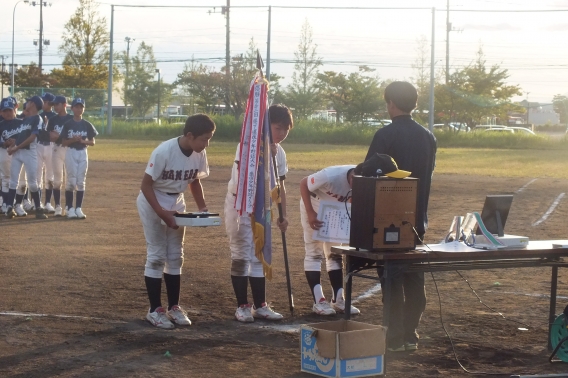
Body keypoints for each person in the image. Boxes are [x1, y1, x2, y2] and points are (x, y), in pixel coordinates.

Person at [365, 81, 437, 352]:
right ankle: (410, 335)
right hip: (418, 219)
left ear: (391, 104)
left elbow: (369, 175)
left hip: (388, 221)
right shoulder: (429, 137)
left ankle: (394, 338)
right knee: (414, 278)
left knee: (392, 280)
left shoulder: (385, 135)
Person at [137, 114, 215, 329]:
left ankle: (173, 307)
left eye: (209, 139)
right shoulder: (164, 151)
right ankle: (155, 310)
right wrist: (162, 213)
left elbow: (195, 181)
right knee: (156, 255)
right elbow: (145, 185)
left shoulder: (199, 152)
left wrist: (202, 209)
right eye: (204, 139)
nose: (206, 143)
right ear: (189, 135)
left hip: (176, 201)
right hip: (154, 199)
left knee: (175, 255)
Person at [224, 104, 293, 323]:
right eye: (278, 127)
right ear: (265, 125)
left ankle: (260, 304)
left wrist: (283, 214)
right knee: (241, 254)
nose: (281, 134)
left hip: (262, 208)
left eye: (286, 129)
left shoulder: (279, 152)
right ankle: (242, 305)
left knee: (258, 254)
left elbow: (280, 185)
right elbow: (246, 175)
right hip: (241, 204)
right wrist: (264, 152)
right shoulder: (248, 145)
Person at [299, 164, 361, 316]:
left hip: (335, 210)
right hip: (314, 204)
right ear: (352, 177)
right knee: (314, 252)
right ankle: (318, 301)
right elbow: (304, 183)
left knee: (335, 253)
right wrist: (310, 212)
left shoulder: (364, 179)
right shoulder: (330, 176)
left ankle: (338, 300)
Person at [3, 96, 49, 219]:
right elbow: (21, 136)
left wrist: (16, 147)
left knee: (32, 183)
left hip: (29, 153)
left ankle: (38, 208)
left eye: (28, 102)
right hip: (18, 153)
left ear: (33, 104)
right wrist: (13, 145)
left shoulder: (37, 119)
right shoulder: (25, 119)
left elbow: (32, 138)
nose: (26, 103)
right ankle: (9, 207)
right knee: (13, 181)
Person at [57, 98, 98, 219]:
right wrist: (73, 140)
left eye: (81, 107)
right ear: (72, 108)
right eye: (76, 107)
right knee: (71, 181)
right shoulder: (68, 124)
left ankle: (78, 208)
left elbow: (92, 142)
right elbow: (63, 142)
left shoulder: (87, 124)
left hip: (83, 152)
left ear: (83, 109)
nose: (79, 109)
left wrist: (82, 141)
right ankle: (70, 208)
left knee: (81, 181)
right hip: (71, 152)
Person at [47, 95, 73, 217]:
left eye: (57, 104)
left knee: (70, 180)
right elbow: (50, 136)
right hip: (57, 149)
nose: (55, 107)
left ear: (64, 105)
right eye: (54, 105)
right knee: (57, 180)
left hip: (69, 150)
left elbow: (74, 137)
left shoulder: (72, 119)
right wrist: (63, 138)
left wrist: (60, 137)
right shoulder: (52, 120)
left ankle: (68, 207)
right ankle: (58, 206)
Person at [36, 92, 57, 213]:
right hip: (38, 145)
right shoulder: (38, 116)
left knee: (50, 175)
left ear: (50, 103)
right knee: (37, 175)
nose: (43, 103)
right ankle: (36, 202)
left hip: (51, 146)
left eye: (45, 101)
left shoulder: (55, 117)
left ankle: (48, 202)